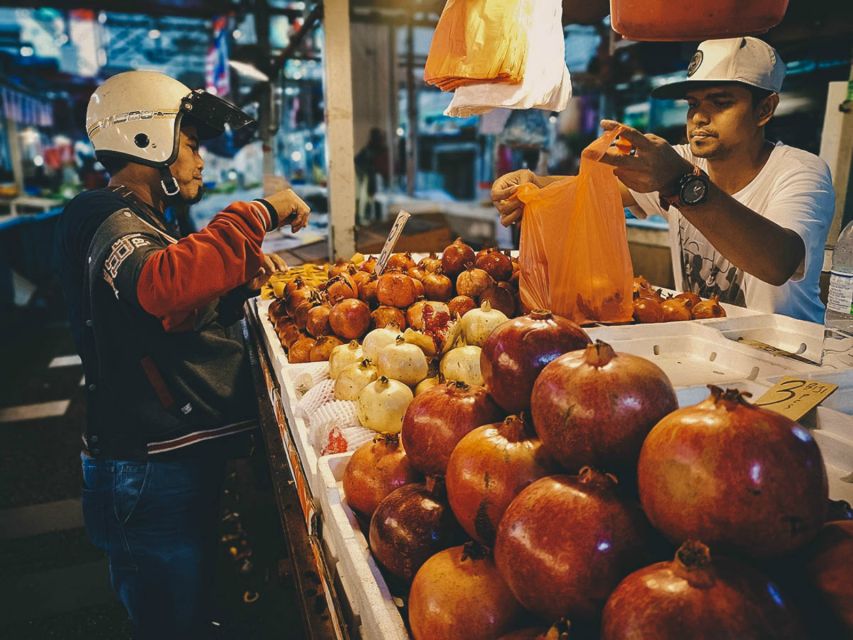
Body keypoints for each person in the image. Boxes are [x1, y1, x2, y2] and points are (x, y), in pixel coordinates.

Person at [55, 70, 310, 638]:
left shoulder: (145, 222)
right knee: (173, 623)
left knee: (193, 609)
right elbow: (162, 286)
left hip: (164, 465)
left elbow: (171, 316)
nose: (200, 162)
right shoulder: (99, 214)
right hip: (141, 469)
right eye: (191, 145)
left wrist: (230, 283)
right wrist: (257, 213)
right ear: (149, 138)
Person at [492, 37, 835, 323]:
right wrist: (533, 184)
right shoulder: (683, 162)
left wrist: (679, 183)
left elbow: (777, 264)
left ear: (764, 109)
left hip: (788, 357)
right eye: (693, 104)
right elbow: (596, 188)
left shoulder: (800, 171)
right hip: (704, 346)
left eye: (720, 102)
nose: (699, 116)